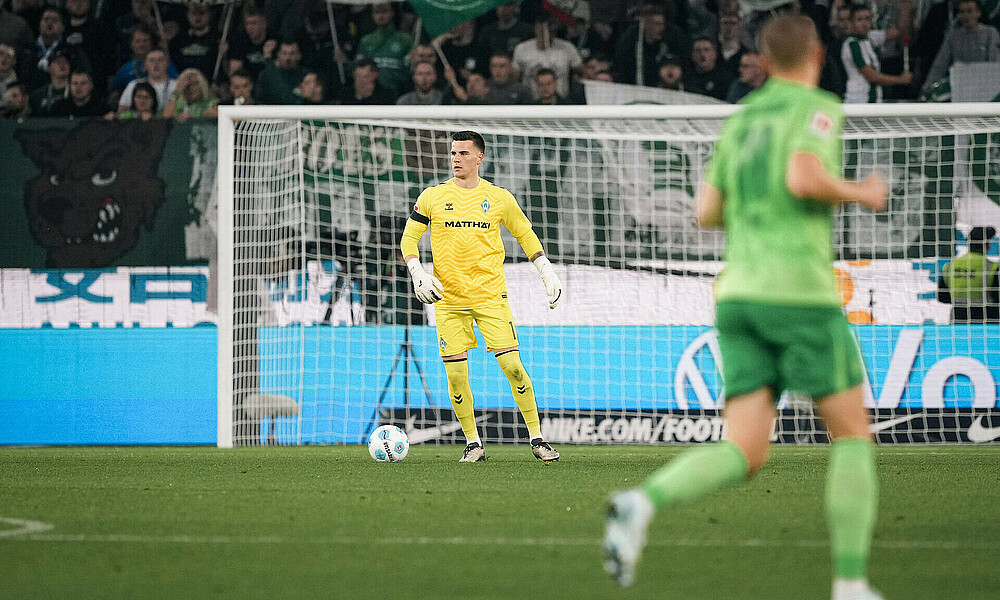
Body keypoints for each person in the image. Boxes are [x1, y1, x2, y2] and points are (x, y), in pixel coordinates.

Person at [603, 15, 890, 600]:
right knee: (853, 435)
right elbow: (804, 175)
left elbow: (706, 212)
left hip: (737, 295)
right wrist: (863, 192)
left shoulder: (743, 119)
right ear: (816, 54)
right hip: (798, 292)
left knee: (745, 449)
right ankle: (851, 584)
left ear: (761, 58)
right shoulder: (818, 107)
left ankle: (641, 502)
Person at [398, 130, 563, 463]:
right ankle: (473, 443)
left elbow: (525, 233)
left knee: (514, 368)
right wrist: (418, 272)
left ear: (478, 158)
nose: (455, 159)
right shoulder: (432, 196)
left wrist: (546, 270)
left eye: (462, 153)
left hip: (491, 298)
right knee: (457, 375)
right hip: (449, 300)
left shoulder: (499, 197)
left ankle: (537, 439)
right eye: (453, 154)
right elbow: (408, 240)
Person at [921, 0, 1000, 94]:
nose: (965, 15)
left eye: (969, 11)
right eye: (962, 12)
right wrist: (927, 88)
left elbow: (994, 64)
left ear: (978, 13)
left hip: (985, 85)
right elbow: (940, 65)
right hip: (960, 86)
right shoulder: (953, 36)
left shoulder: (990, 33)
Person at [842, 4, 911, 103]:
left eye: (867, 19)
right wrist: (900, 79)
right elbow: (872, 76)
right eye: (859, 20)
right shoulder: (853, 44)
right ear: (851, 23)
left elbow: (896, 31)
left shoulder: (869, 38)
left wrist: (907, 4)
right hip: (860, 100)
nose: (864, 23)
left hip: (872, 100)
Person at [937, 226, 1000, 323]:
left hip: (958, 321)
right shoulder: (993, 268)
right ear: (988, 245)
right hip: (988, 323)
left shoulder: (950, 266)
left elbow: (942, 297)